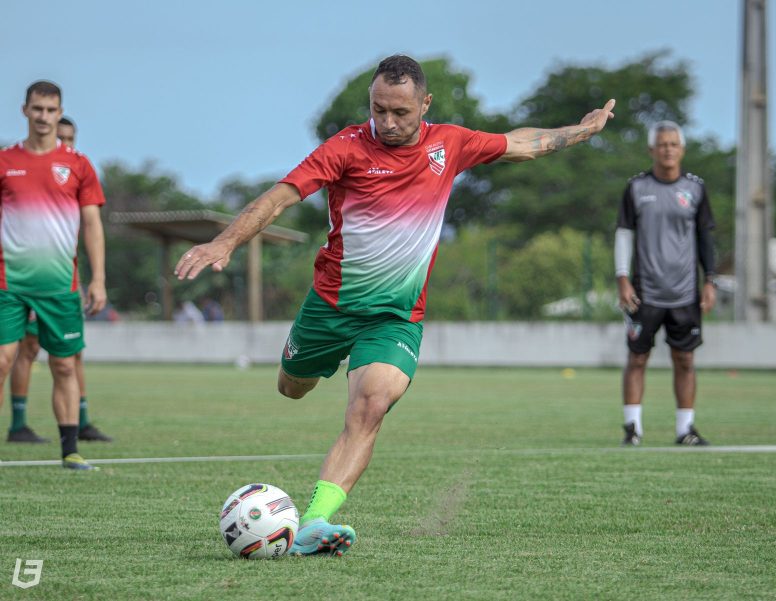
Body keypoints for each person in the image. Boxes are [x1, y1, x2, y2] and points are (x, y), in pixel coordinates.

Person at [175, 55, 615, 555]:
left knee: (370, 406)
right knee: (291, 388)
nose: (387, 122)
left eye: (400, 112)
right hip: (330, 306)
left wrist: (581, 131)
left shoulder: (450, 144)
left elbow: (522, 144)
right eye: (378, 109)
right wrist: (225, 243)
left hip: (395, 318)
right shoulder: (345, 148)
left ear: (424, 104)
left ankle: (315, 522)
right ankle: (307, 368)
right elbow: (279, 198)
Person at [0, 81, 108, 469]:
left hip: (61, 284)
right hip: (8, 282)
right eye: (37, 109)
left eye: (51, 110)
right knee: (2, 359)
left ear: (59, 113)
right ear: (25, 110)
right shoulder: (4, 160)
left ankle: (70, 450)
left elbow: (93, 225)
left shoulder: (78, 165)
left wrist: (98, 280)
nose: (43, 117)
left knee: (64, 364)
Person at [614, 120, 717, 447]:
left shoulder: (696, 189)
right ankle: (632, 429)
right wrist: (622, 278)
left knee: (685, 360)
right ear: (651, 150)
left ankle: (685, 430)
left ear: (682, 149)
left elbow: (705, 238)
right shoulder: (636, 189)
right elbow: (623, 234)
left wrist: (710, 280)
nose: (668, 149)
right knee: (637, 358)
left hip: (685, 292)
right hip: (645, 291)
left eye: (674, 144)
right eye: (662, 144)